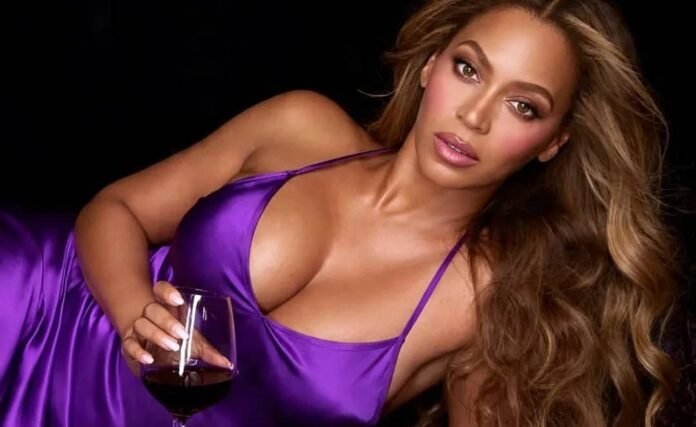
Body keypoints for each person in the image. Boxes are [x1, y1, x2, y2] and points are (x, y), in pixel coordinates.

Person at [0, 0, 684, 426]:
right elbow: (113, 208)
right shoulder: (302, 126)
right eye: (469, 69)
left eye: (523, 106)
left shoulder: (487, 300)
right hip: (33, 308)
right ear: (431, 66)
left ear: (553, 143)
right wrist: (131, 313)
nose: (474, 116)